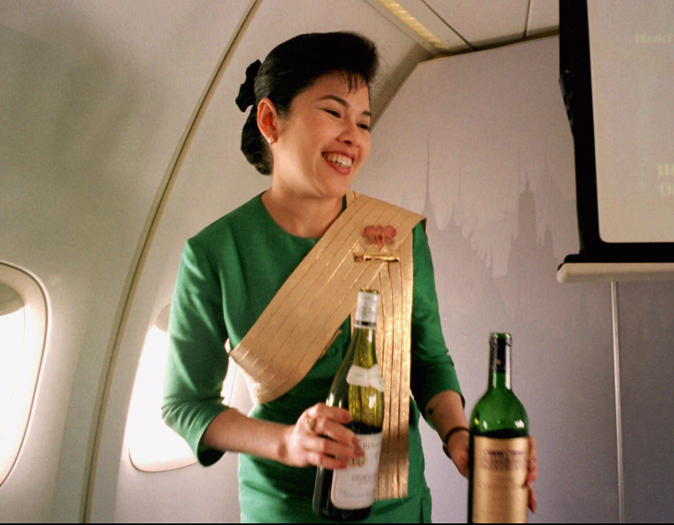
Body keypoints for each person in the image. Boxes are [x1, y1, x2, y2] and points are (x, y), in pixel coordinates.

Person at [162, 31, 537, 523]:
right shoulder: (214, 254)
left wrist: (458, 436)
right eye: (334, 113)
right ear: (271, 120)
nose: (353, 137)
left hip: (397, 503)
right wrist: (288, 442)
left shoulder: (400, 235)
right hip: (287, 505)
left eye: (363, 122)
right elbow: (184, 404)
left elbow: (426, 358)